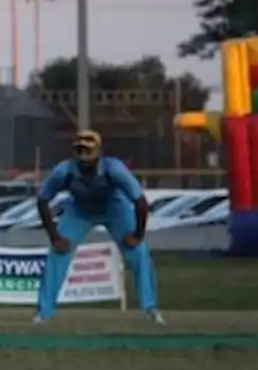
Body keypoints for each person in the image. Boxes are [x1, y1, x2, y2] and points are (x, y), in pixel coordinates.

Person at [34, 130, 164, 324]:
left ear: (99, 151)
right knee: (58, 252)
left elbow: (140, 202)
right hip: (79, 211)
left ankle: (151, 309)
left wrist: (138, 235)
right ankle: (43, 314)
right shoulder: (64, 171)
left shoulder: (114, 169)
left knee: (138, 252)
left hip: (115, 209)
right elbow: (43, 201)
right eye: (79, 151)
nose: (84, 157)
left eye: (88, 151)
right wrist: (55, 237)